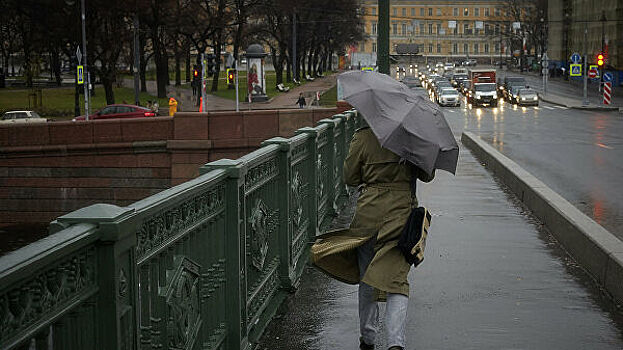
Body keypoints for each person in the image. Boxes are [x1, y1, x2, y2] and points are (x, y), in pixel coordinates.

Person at [311, 118, 434, 350]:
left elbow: (350, 178)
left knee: (367, 278)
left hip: (368, 216)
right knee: (397, 281)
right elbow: (427, 175)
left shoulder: (363, 137)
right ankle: (395, 344)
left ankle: (368, 338)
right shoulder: (411, 139)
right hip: (401, 217)